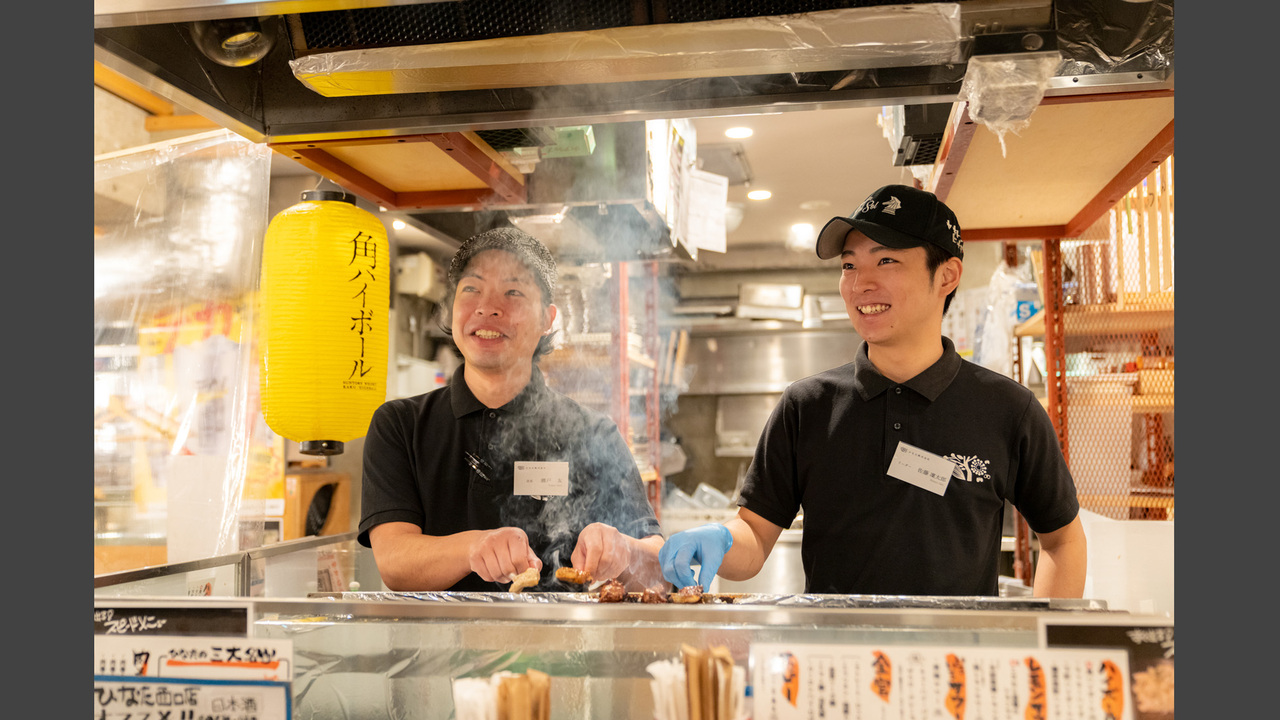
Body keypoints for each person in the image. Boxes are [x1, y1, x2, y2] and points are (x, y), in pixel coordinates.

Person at [659, 185, 1087, 597]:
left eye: (886, 262)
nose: (860, 283)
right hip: (835, 664)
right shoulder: (807, 406)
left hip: (954, 665)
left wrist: (1041, 649)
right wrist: (719, 537)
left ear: (947, 276)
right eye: (849, 265)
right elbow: (754, 532)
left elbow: (1062, 541)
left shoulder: (1008, 409)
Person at [358, 226, 664, 592]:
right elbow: (395, 563)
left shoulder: (592, 434)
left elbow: (659, 566)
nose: (487, 307)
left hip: (562, 646)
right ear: (452, 307)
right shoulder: (400, 426)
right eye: (471, 289)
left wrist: (625, 550)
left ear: (547, 319)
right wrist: (474, 548)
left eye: (513, 292)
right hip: (434, 646)